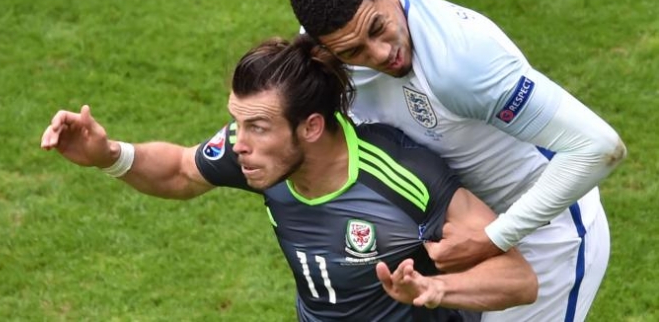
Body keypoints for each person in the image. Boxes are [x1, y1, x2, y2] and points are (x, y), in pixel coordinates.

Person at [40, 36, 538, 321]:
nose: (238, 142)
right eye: (237, 122)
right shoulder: (260, 153)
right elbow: (180, 170)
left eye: (256, 126)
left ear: (312, 127)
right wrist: (107, 154)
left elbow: (518, 278)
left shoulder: (404, 176)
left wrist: (437, 291)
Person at [288, 0, 627, 322]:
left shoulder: (460, 64)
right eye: (353, 51)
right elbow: (275, 107)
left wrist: (493, 237)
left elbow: (598, 147)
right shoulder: (331, 44)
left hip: (547, 238)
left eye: (377, 28)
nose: (383, 54)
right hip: (459, 232)